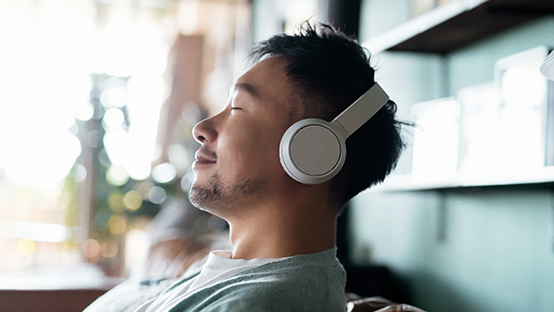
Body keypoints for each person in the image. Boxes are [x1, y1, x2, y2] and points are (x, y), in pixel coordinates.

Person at [85, 22, 407, 312]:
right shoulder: (228, 271)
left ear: (312, 150)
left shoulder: (262, 302)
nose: (202, 128)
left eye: (237, 108)